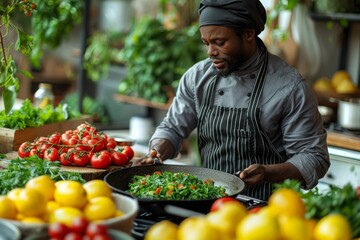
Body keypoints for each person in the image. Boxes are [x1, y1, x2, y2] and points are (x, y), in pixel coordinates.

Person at [135, 0, 330, 201]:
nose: (211, 52)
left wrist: (268, 173)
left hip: (266, 210)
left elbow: (314, 157)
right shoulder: (197, 78)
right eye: (206, 43)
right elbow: (173, 128)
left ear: (248, 34)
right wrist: (156, 151)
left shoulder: (289, 87)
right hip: (209, 201)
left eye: (220, 42)